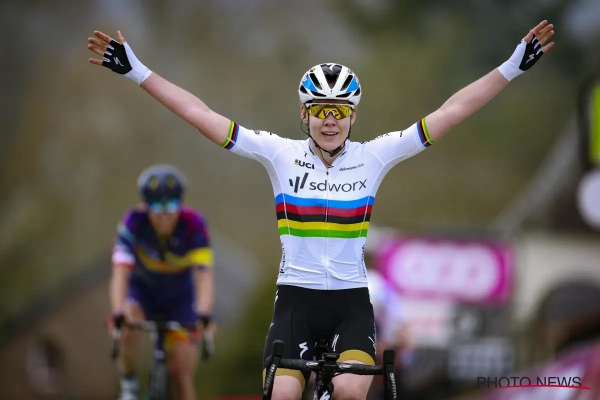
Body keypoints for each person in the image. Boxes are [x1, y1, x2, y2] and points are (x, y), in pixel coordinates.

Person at [88, 20, 555, 400]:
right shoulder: (279, 153)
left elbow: (450, 112)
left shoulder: (375, 156)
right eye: (320, 110)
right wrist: (136, 71)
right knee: (283, 396)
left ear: (353, 115)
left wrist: (513, 66)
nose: (330, 121)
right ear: (304, 114)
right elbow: (201, 115)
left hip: (351, 303)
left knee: (350, 391)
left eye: (340, 111)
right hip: (296, 300)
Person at [107, 165, 216, 400]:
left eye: (171, 205)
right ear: (145, 205)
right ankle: (129, 385)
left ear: (181, 203)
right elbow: (120, 273)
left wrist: (204, 313)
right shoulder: (133, 221)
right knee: (127, 321)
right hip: (142, 294)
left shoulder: (194, 224)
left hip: (180, 300)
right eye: (156, 206)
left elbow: (203, 275)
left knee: (181, 373)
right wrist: (117, 310)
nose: (165, 213)